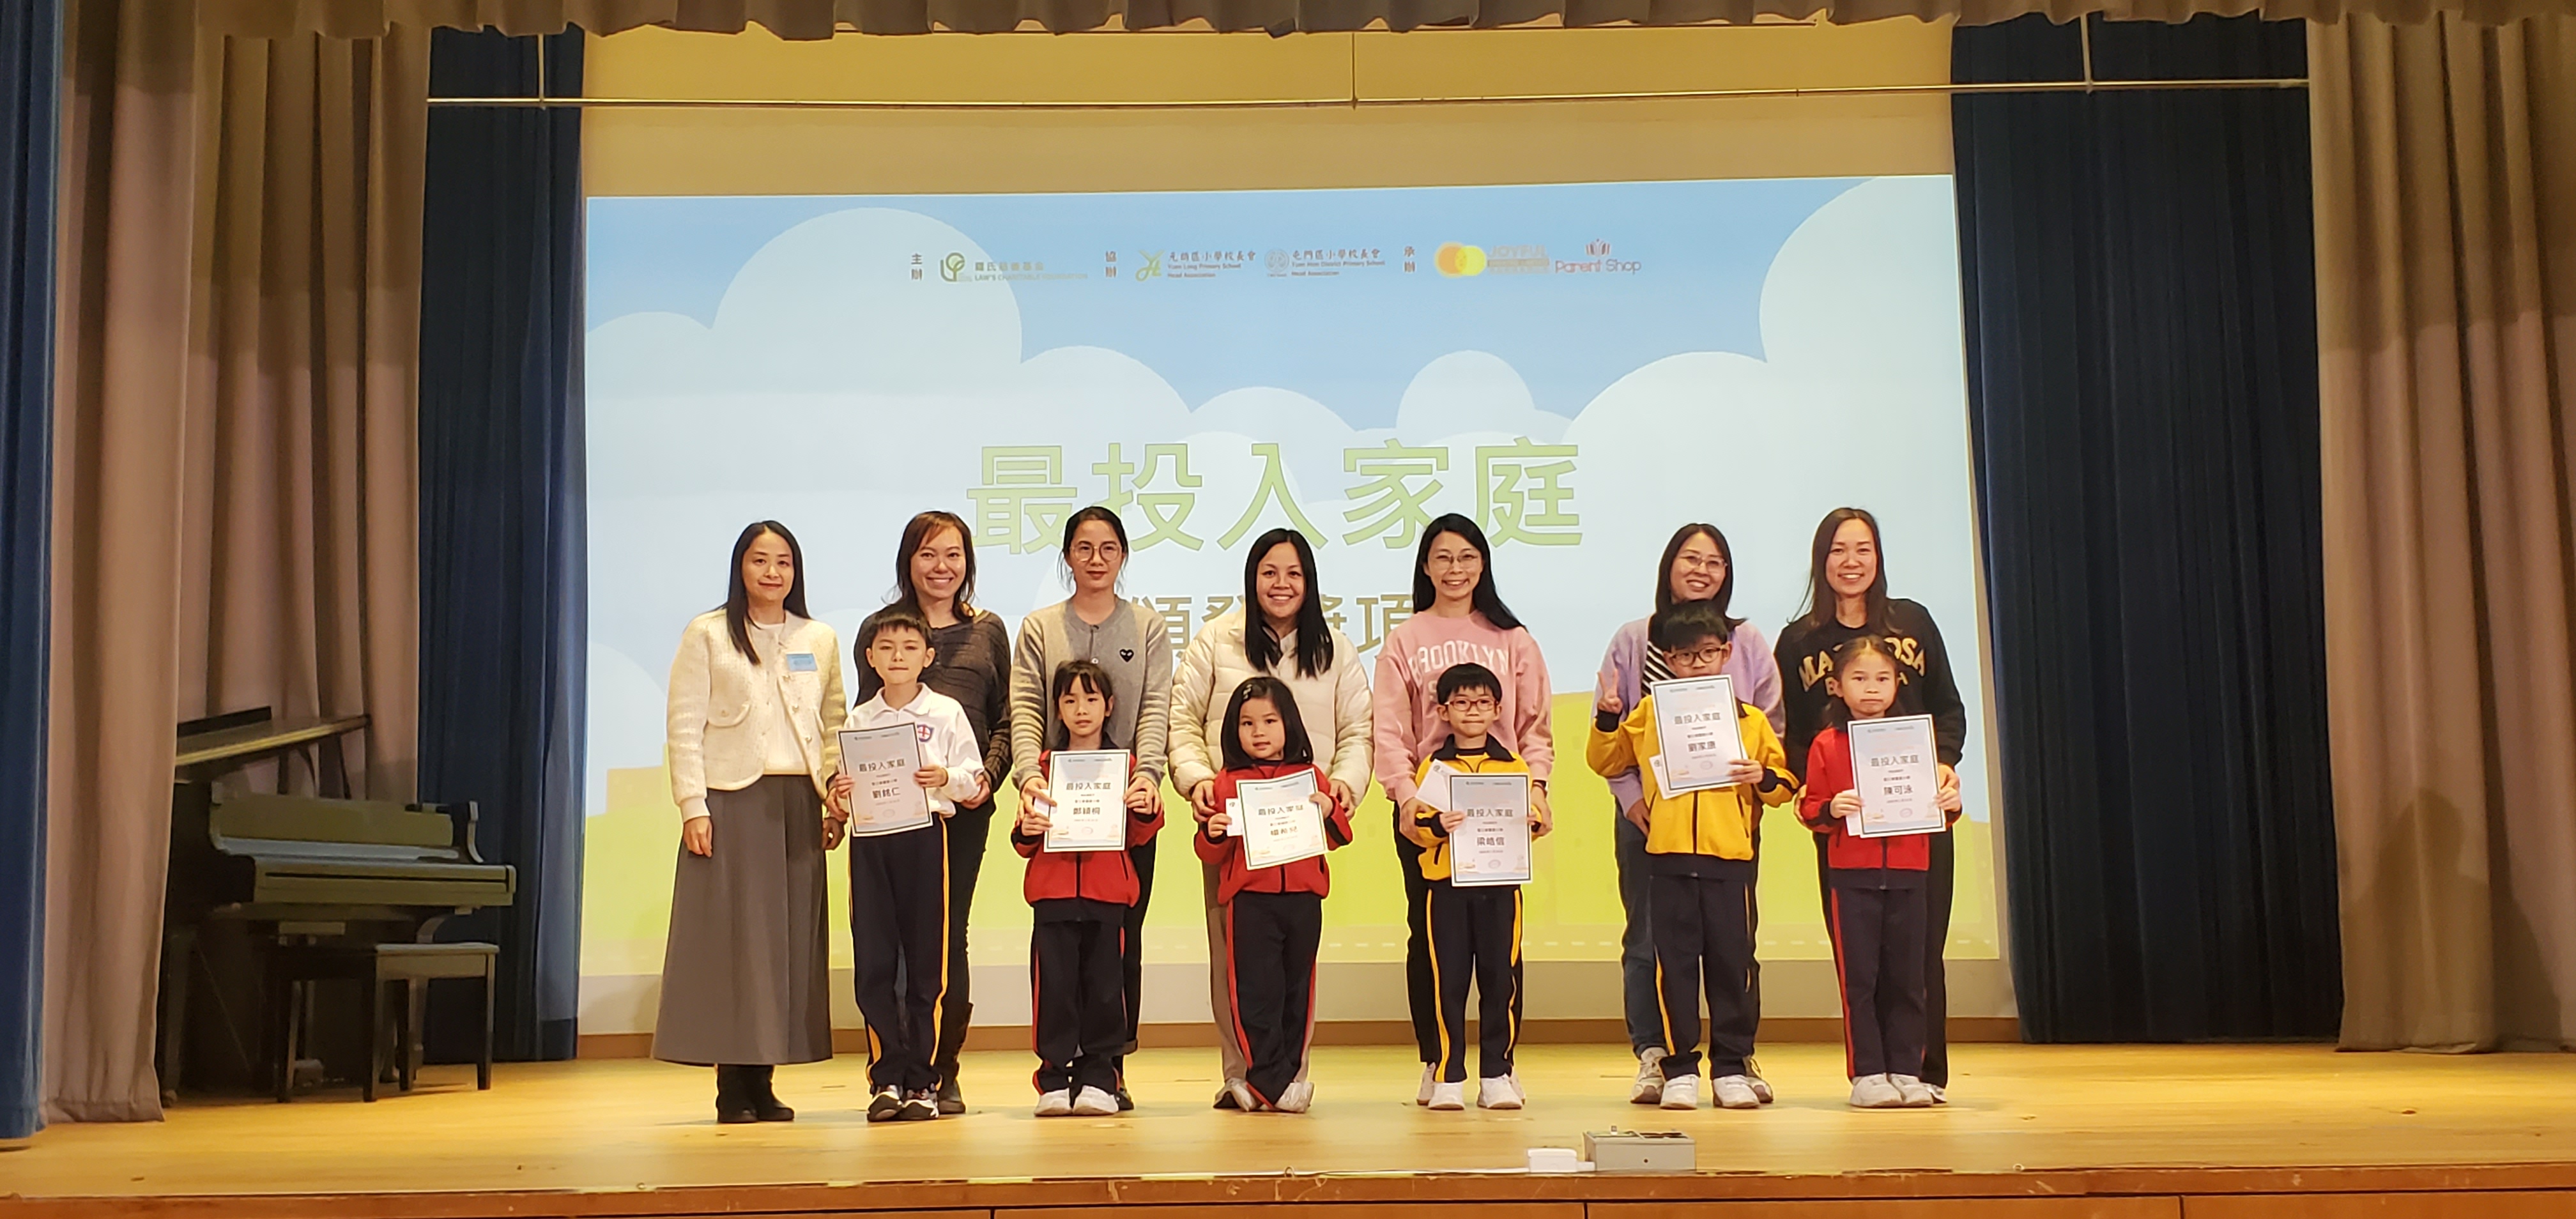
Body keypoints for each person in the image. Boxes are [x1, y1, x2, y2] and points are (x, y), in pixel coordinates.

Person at [1169, 527, 1373, 1108]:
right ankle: (1243, 1074)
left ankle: (1289, 1076)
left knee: (1294, 968)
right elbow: (1182, 718)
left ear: (1310, 582)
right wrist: (1198, 780)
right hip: (1233, 828)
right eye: (1269, 573)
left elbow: (1358, 729)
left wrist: (1345, 784)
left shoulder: (1335, 649)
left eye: (1294, 574)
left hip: (1303, 832)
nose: (1281, 585)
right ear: (1251, 578)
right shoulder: (1217, 640)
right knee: (1235, 962)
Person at [654, 521, 847, 1124]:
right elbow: (684, 724)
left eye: (784, 561)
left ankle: (763, 1082)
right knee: (733, 947)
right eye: (760, 560)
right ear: (741, 567)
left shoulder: (818, 637)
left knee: (785, 949)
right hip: (730, 801)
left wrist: (834, 800)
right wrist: (693, 805)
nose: (772, 572)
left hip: (798, 805)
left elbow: (834, 725)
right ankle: (731, 1086)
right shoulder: (708, 633)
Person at [1775, 507, 1967, 1101]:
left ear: (1879, 557)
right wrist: (1818, 792)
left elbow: (1948, 708)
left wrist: (1944, 764)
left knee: (1920, 953)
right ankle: (1870, 1072)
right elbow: (1792, 732)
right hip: (1846, 826)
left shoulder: (1914, 621)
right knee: (1859, 959)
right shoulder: (1798, 640)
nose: (1851, 561)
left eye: (1863, 549)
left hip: (1917, 818)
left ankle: (1921, 1072)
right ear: (1821, 559)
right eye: (1838, 550)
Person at [1592, 523, 1784, 1105]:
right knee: (1655, 949)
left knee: (1733, 952)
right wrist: (1633, 799)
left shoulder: (1748, 661)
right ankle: (1664, 1060)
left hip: (1730, 839)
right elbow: (1610, 755)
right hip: (1656, 834)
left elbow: (1777, 753)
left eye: (1714, 561)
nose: (1701, 570)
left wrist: (1761, 784)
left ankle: (1733, 1060)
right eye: (1690, 558)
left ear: (1726, 653)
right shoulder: (1637, 648)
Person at [1372, 514, 1552, 1106]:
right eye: (1444, 558)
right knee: (1432, 943)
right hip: (1429, 813)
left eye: (1468, 557)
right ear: (1425, 566)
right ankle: (1438, 1062)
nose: (1456, 569)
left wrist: (1537, 789)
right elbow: (1390, 729)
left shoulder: (1514, 639)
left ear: (1483, 564)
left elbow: (1534, 726)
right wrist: (1406, 798)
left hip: (1502, 811)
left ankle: (1500, 1067)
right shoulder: (1405, 639)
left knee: (1501, 947)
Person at [1009, 506, 1172, 1108]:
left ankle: (1109, 1071)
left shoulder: (1148, 626)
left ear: (1123, 555)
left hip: (1125, 804)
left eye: (1108, 548)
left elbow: (1155, 707)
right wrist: (1030, 778)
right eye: (1084, 547)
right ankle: (1058, 1071)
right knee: (1056, 960)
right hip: (1056, 805)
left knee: (1118, 945)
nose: (1096, 559)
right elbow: (1026, 706)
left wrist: (1147, 777)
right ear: (1068, 556)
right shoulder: (1039, 627)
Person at [855, 510, 1015, 1114]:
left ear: (967, 562)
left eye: (953, 554)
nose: (941, 566)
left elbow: (1004, 716)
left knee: (948, 938)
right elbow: (866, 723)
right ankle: (892, 1071)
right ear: (908, 561)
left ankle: (940, 1070)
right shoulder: (881, 628)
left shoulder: (987, 630)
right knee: (887, 946)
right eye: (927, 554)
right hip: (886, 820)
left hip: (960, 811)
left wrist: (984, 781)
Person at [1795, 636, 1963, 1108]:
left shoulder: (1918, 741)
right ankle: (1867, 1074)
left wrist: (1951, 803)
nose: (1872, 689)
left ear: (1898, 684)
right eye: (1859, 678)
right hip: (1852, 876)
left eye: (1883, 679)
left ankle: (1908, 1070)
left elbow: (1941, 809)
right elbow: (1809, 808)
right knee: (1861, 981)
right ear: (1836, 685)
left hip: (1911, 871)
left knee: (1909, 979)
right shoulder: (1826, 744)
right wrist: (1831, 808)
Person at [844, 605, 988, 1123]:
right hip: (871, 843)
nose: (898, 657)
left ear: (928, 656)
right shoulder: (859, 720)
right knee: (875, 960)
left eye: (909, 648)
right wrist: (840, 793)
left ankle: (924, 1081)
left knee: (928, 963)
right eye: (886, 648)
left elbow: (972, 778)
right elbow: (844, 785)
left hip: (927, 839)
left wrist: (945, 778)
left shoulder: (945, 713)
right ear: (870, 657)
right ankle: (885, 1078)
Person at [1011, 660, 1164, 1118]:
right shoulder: (1041, 771)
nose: (1081, 710)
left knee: (1105, 991)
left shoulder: (1128, 768)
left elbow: (1139, 834)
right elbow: (1023, 841)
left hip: (1108, 897)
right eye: (1070, 700)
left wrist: (1145, 808)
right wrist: (1027, 829)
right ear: (1057, 708)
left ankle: (1100, 1076)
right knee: (1054, 991)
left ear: (1109, 706)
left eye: (1091, 699)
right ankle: (1054, 1078)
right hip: (1052, 899)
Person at [1196, 677, 1353, 1114]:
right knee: (1254, 993)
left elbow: (1339, 837)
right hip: (1250, 903)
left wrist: (1329, 809)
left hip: (1303, 900)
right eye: (1247, 723)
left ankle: (1285, 1078)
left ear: (1290, 724)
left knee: (1297, 991)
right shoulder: (1227, 782)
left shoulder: (1311, 778)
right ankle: (1268, 1080)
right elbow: (1210, 851)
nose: (1259, 732)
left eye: (1269, 721)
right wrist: (1213, 832)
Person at [1407, 662, 1546, 1112]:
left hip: (1500, 888)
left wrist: (1533, 823)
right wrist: (1438, 826)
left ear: (1498, 710)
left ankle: (1496, 1074)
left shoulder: (1514, 765)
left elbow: (1532, 823)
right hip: (1446, 888)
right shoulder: (1434, 767)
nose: (1473, 710)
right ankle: (1448, 1076)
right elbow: (1418, 827)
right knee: (1447, 983)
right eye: (1462, 703)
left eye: (1483, 702)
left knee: (1500, 981)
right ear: (1443, 711)